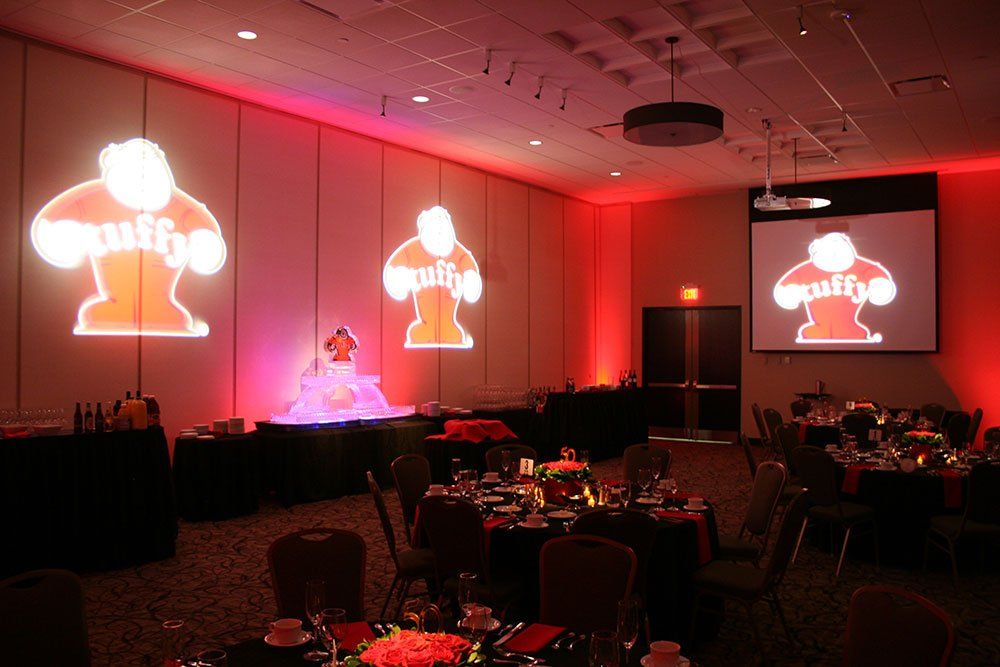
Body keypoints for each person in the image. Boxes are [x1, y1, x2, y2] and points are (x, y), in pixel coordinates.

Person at [30, 138, 226, 336]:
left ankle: (159, 309)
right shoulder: (96, 199)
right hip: (108, 310)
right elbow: (58, 219)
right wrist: (59, 232)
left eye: (147, 168)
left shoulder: (178, 207)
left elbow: (200, 226)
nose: (141, 178)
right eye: (135, 170)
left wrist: (206, 241)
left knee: (162, 308)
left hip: (163, 309)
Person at [383, 205, 482, 348]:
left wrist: (471, 278)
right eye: (435, 226)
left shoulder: (459, 254)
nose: (439, 232)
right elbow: (395, 269)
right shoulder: (412, 249)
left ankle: (446, 329)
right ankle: (426, 327)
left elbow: (469, 270)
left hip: (451, 329)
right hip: (422, 328)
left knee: (450, 329)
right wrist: (398, 276)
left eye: (442, 225)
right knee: (422, 330)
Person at [773, 232, 895, 343]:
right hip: (816, 331)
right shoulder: (806, 270)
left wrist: (880, 286)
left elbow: (876, 275)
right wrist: (789, 293)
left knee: (848, 328)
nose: (834, 253)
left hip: (851, 329)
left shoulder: (862, 267)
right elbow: (788, 286)